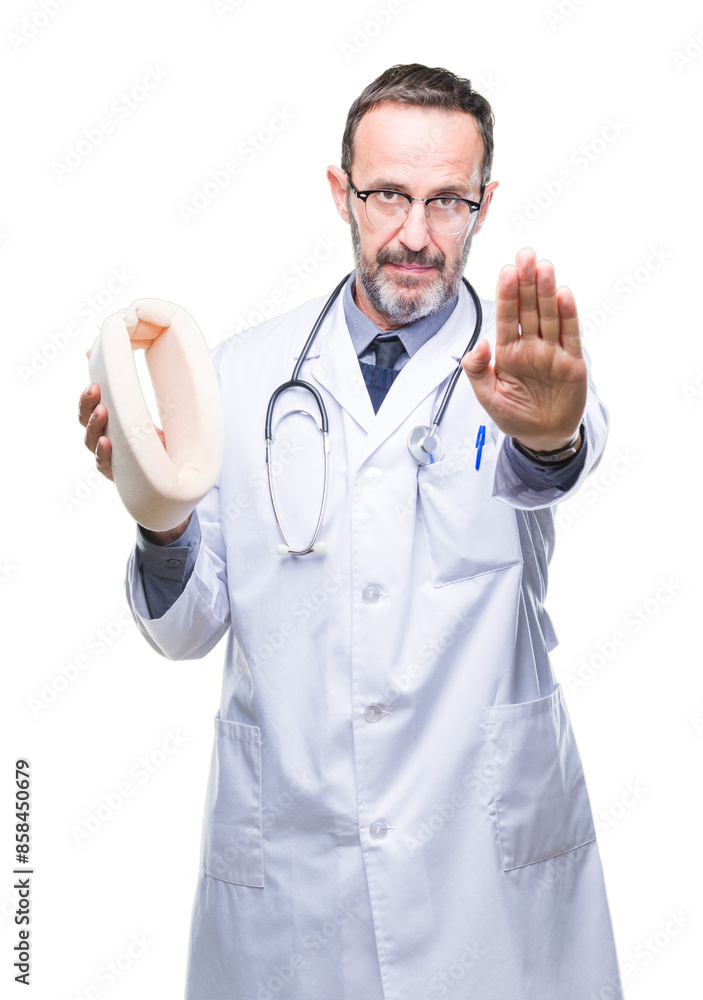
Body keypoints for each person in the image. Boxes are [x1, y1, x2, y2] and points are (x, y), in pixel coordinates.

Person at [79, 64, 623, 1000]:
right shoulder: (241, 377)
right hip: (294, 865)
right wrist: (161, 520)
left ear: (484, 204)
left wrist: (548, 436)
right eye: (388, 196)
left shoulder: (522, 373)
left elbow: (551, 463)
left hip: (480, 869)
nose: (415, 234)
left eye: (447, 201)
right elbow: (188, 628)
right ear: (342, 192)